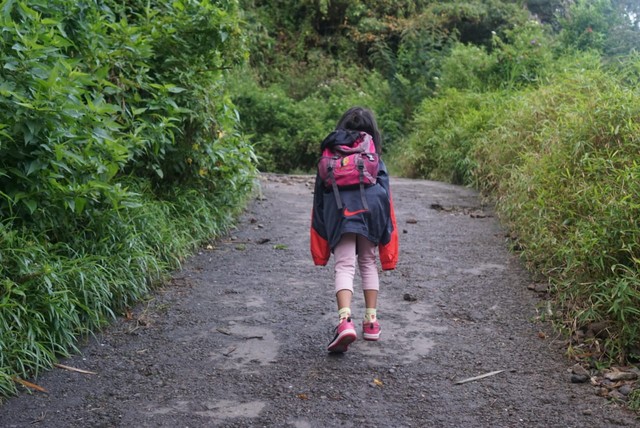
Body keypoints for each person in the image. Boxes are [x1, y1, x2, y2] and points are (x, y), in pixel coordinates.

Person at [310, 106, 399, 353]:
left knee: (345, 265)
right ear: (372, 131)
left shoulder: (330, 154)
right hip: (371, 211)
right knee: (368, 262)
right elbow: (387, 200)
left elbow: (319, 201)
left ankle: (344, 322)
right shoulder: (373, 156)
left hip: (340, 212)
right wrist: (386, 241)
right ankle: (371, 322)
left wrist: (320, 244)